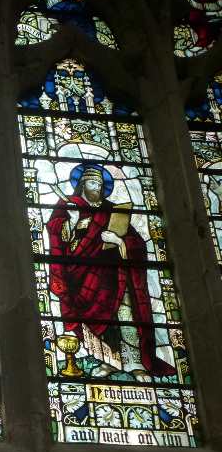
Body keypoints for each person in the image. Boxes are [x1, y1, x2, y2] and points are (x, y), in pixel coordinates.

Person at [46, 163, 176, 380]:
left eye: (99, 184)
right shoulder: (67, 205)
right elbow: (57, 235)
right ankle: (109, 362)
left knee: (125, 315)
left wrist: (118, 241)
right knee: (99, 323)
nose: (96, 188)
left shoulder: (111, 210)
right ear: (82, 184)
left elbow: (136, 242)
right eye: (92, 183)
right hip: (81, 276)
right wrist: (74, 220)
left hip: (114, 275)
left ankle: (134, 363)